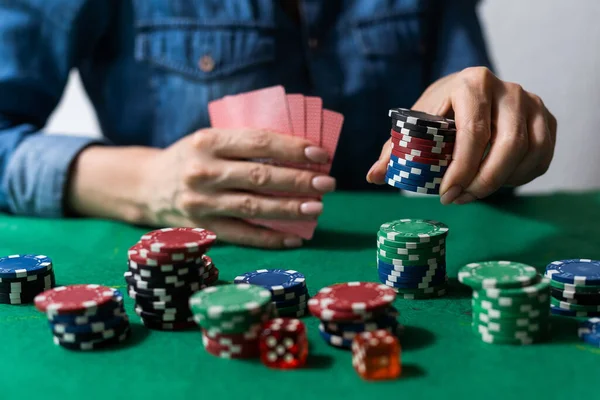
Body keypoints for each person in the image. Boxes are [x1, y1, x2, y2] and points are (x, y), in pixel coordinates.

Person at [0, 1, 556, 248]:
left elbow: (468, 154)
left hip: (402, 291)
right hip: (207, 275)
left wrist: (496, 132)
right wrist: (143, 185)